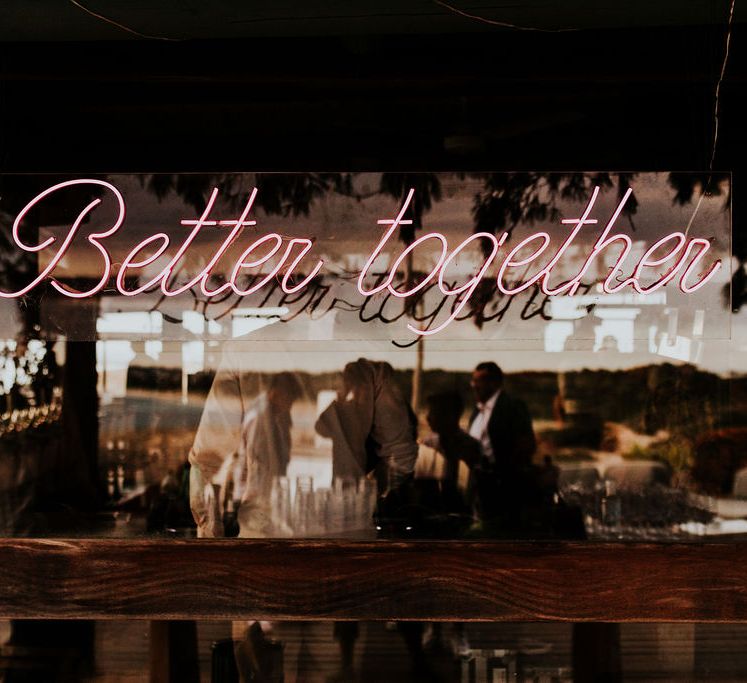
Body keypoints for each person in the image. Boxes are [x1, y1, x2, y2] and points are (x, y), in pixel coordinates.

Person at [189, 360, 303, 539]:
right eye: (289, 399)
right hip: (253, 510)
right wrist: (210, 522)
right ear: (278, 392)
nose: (289, 405)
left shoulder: (276, 416)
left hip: (261, 508)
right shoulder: (260, 418)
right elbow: (209, 461)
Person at [468, 361, 536, 531]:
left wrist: (503, 475)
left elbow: (526, 445)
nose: (474, 386)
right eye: (473, 381)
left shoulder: (512, 406)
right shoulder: (477, 410)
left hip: (505, 490)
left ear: (495, 382)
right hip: (479, 488)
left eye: (479, 381)